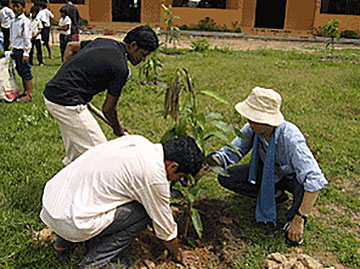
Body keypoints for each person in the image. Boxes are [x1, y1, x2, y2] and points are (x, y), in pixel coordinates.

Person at [40, 135, 205, 268]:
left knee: (93, 191)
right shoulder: (155, 179)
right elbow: (165, 229)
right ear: (173, 166)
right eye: (179, 176)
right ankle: (94, 263)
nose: (176, 180)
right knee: (144, 213)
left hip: (53, 200)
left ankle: (62, 245)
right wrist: (178, 253)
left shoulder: (137, 141)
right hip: (72, 222)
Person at [199, 87, 328, 245]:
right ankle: (276, 195)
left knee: (302, 190)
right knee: (227, 177)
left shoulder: (290, 138)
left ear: (268, 121)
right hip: (268, 172)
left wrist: (299, 219)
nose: (250, 124)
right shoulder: (253, 129)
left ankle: (293, 217)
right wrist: (204, 168)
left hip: (291, 177)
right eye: (250, 119)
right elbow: (232, 152)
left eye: (255, 120)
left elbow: (314, 179)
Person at [43, 25, 159, 166]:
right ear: (133, 46)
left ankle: (69, 180)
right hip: (66, 101)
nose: (143, 60)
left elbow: (71, 47)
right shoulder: (120, 68)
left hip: (55, 94)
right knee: (101, 155)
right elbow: (108, 109)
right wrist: (118, 129)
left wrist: (64, 76)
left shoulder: (105, 42)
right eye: (143, 55)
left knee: (76, 153)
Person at [10, 0, 33, 103]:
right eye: (14, 6)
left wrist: (26, 53)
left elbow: (26, 37)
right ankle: (24, 91)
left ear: (23, 8)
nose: (15, 8)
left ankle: (29, 94)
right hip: (16, 49)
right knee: (20, 71)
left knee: (26, 72)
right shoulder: (14, 21)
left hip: (22, 50)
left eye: (17, 6)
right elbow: (13, 37)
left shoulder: (25, 21)